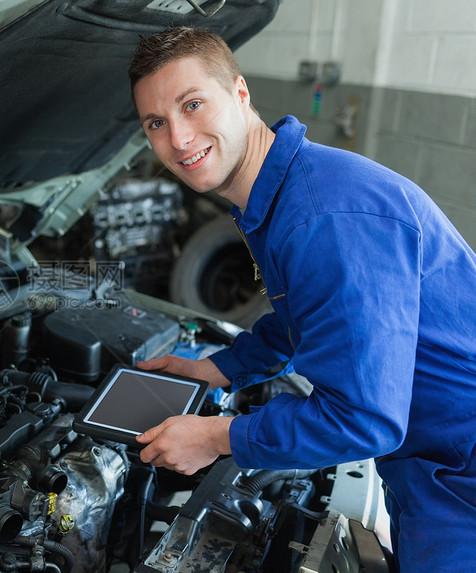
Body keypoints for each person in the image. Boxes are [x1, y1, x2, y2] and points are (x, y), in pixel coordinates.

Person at [127, 27, 476, 572]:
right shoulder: (283, 193)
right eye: (156, 123)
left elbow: (364, 420)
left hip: (461, 475)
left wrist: (221, 437)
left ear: (240, 93)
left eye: (192, 104)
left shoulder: (321, 218)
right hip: (431, 460)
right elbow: (304, 317)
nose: (179, 137)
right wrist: (219, 371)